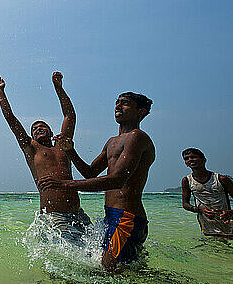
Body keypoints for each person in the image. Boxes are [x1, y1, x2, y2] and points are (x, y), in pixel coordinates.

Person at [46, 92, 155, 271]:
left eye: (125, 103)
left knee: (109, 270)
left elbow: (117, 180)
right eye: (117, 103)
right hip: (112, 216)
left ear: (140, 112)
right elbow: (90, 173)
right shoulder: (112, 142)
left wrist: (65, 184)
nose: (118, 106)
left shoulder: (138, 137)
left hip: (126, 217)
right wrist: (70, 151)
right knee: (124, 271)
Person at [0, 72, 91, 242]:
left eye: (42, 126)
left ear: (52, 132)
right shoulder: (31, 149)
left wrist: (58, 88)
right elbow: (11, 119)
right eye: (34, 129)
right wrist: (1, 91)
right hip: (55, 217)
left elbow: (70, 116)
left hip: (78, 215)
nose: (38, 128)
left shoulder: (63, 146)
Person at [181, 147, 233, 238]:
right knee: (209, 250)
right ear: (186, 164)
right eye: (186, 158)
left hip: (228, 227)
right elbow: (185, 204)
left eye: (193, 157)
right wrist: (200, 210)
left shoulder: (221, 179)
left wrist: (229, 213)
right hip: (207, 227)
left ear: (204, 160)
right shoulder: (187, 181)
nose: (190, 160)